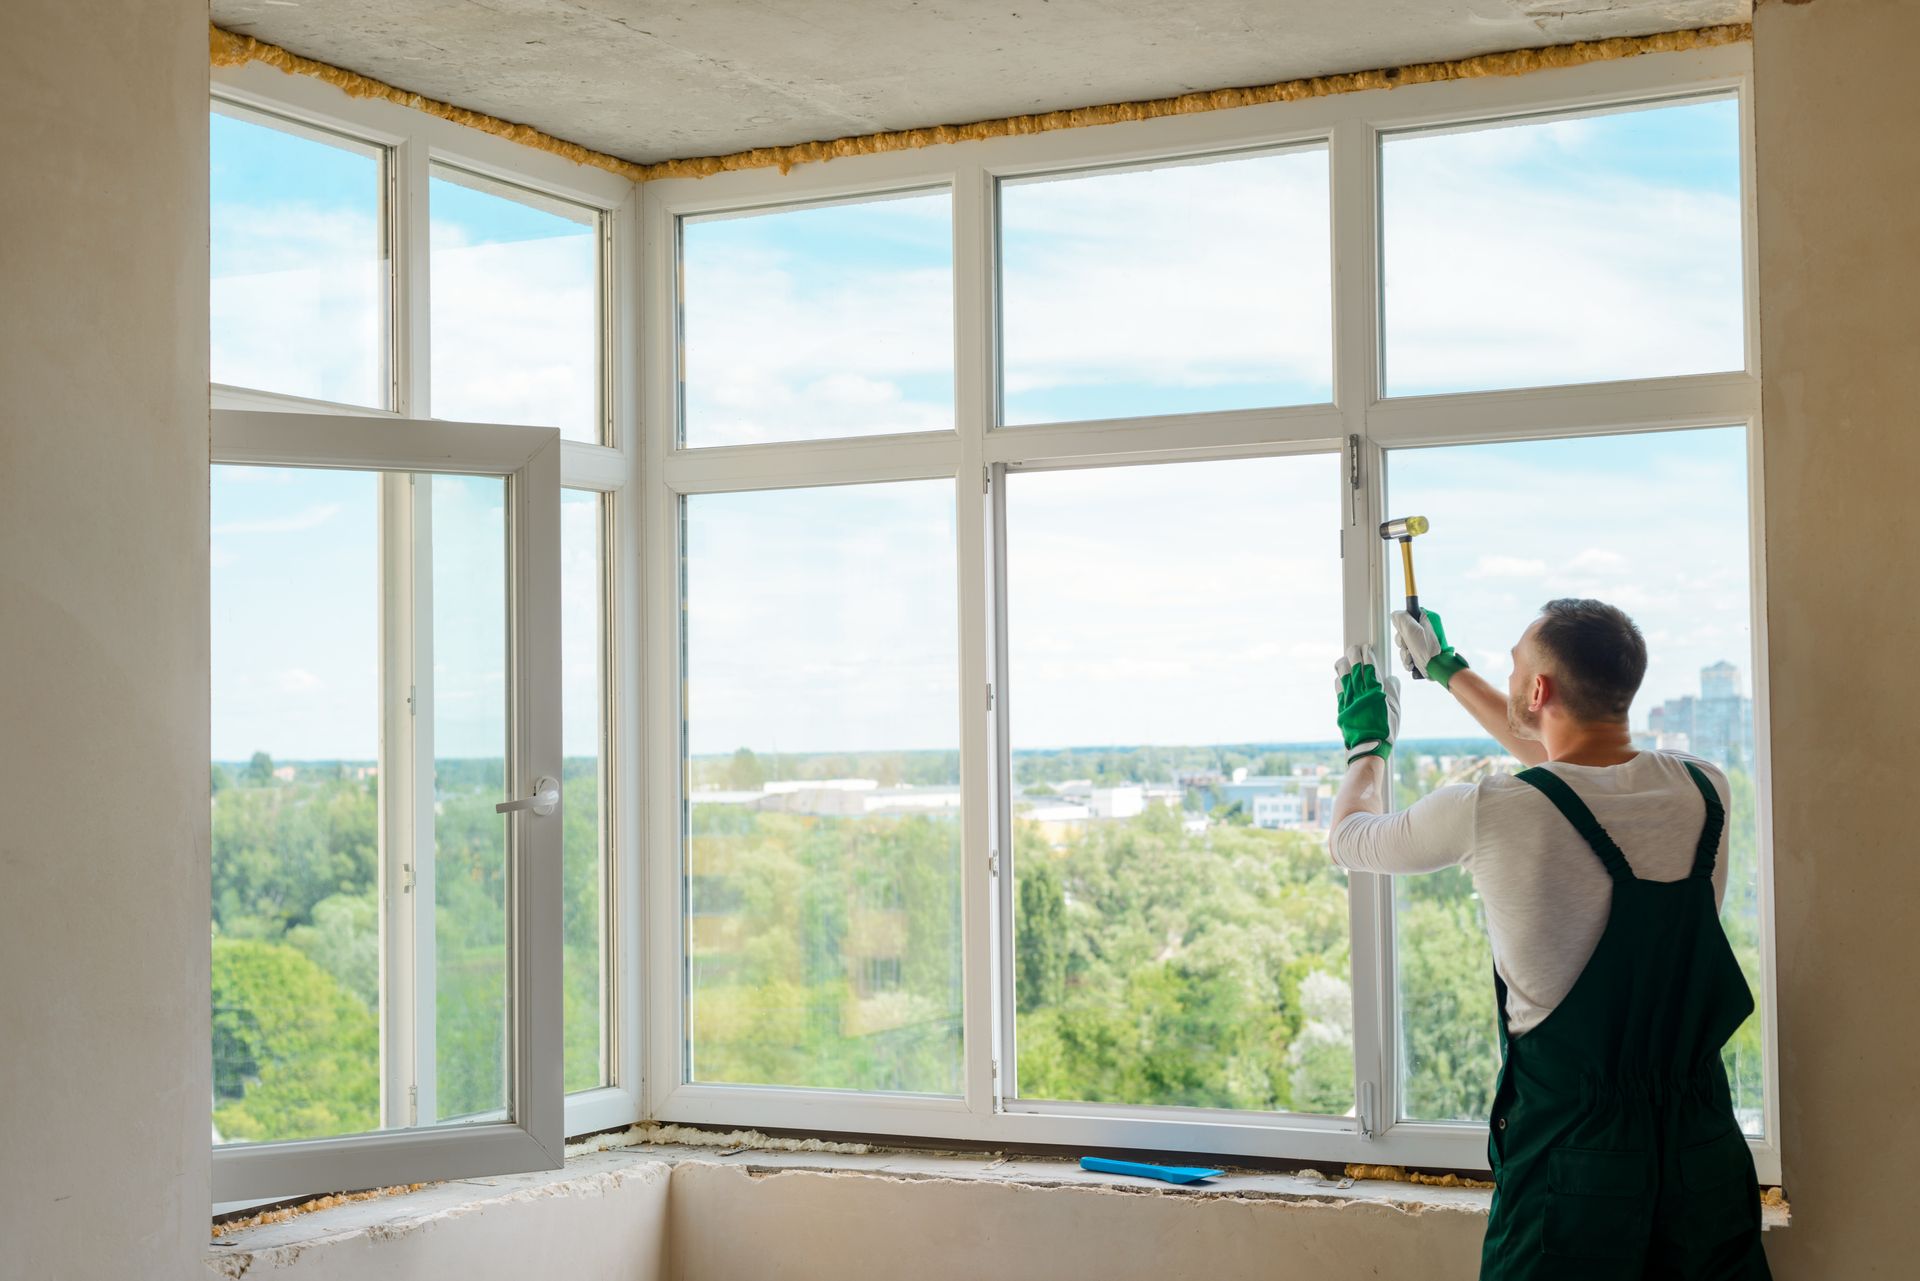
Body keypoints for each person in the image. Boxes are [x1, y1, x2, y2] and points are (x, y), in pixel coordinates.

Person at [1328, 598, 1770, 1280]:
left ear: (1538, 690)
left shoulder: (1494, 809)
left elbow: (1351, 839)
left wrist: (1368, 747)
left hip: (1573, 1175)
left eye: (1515, 670)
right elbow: (1571, 767)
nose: (1509, 681)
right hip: (1703, 1158)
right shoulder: (1704, 788)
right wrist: (1448, 671)